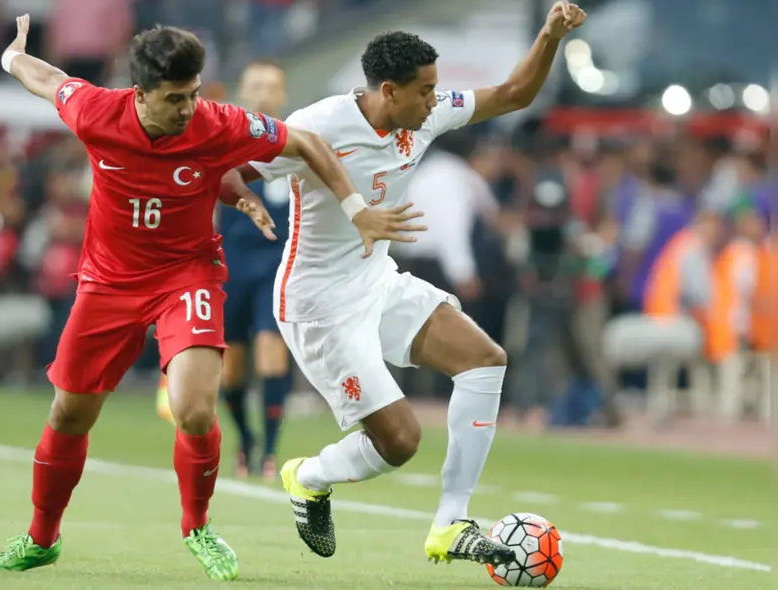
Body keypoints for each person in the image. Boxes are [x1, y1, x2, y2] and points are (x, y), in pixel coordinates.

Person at [0, 16, 419, 580]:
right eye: (174, 99)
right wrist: (10, 56)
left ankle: (198, 527)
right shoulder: (95, 111)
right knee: (69, 414)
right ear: (139, 94)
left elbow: (305, 142)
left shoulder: (218, 121)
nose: (188, 108)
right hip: (108, 282)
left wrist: (357, 210)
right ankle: (41, 538)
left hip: (187, 275)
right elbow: (47, 79)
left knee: (192, 408)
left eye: (192, 94)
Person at [227, 1, 587, 565]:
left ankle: (451, 523)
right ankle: (309, 476)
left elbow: (515, 93)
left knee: (485, 358)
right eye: (424, 91)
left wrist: (549, 35)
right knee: (399, 442)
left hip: (378, 281)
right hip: (317, 304)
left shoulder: (427, 113)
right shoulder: (316, 125)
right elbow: (227, 169)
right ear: (388, 91)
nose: (435, 99)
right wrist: (244, 200)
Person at [159, 59, 295, 482]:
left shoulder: (297, 146)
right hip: (231, 264)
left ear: (282, 94)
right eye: (255, 85)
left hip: (277, 264)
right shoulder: (223, 141)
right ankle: (246, 439)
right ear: (243, 90)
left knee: (273, 354)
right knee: (232, 366)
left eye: (271, 87)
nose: (262, 94)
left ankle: (270, 451)